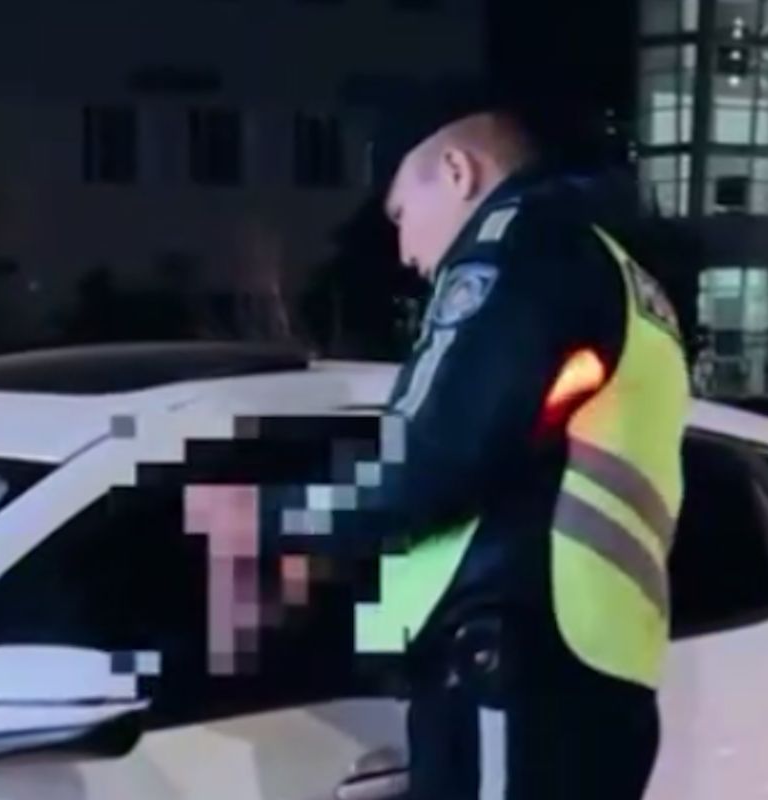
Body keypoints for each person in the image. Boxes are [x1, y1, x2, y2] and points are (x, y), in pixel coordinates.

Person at [188, 78, 689, 800]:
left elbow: (430, 462)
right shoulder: (611, 268)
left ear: (457, 171)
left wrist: (262, 519)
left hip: (515, 662)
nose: (402, 249)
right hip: (586, 660)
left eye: (401, 214)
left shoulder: (516, 253)